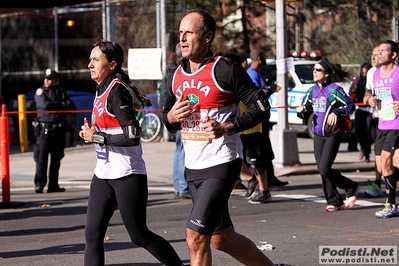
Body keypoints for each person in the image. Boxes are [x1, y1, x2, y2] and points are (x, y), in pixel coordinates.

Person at [162, 9, 280, 266]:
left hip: (221, 163)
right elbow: (168, 121)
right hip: (193, 168)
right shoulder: (174, 74)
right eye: (180, 33)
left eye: (189, 33)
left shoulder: (225, 70)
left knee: (195, 236)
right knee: (221, 238)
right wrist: (170, 117)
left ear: (207, 37)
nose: (182, 38)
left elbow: (261, 108)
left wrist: (226, 127)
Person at [79, 40, 184, 266]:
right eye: (90, 59)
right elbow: (110, 129)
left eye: (96, 59)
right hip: (104, 173)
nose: (90, 64)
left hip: (127, 173)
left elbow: (132, 135)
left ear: (112, 64)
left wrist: (96, 137)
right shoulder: (101, 89)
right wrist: (93, 132)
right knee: (92, 235)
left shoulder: (116, 90)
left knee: (139, 236)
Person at [296, 59, 358, 212]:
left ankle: (351, 186)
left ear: (327, 74)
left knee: (325, 168)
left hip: (333, 133)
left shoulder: (334, 90)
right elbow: (306, 107)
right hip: (318, 134)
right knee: (322, 169)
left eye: (318, 70)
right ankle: (334, 200)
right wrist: (302, 110)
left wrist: (337, 112)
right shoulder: (311, 91)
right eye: (314, 69)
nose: (314, 72)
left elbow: (350, 106)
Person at [247, 48, 289, 188]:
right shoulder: (251, 74)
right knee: (260, 152)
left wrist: (270, 90)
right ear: (259, 58)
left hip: (263, 118)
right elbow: (256, 95)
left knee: (266, 150)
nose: (265, 59)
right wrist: (270, 89)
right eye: (264, 56)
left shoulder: (257, 74)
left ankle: (271, 177)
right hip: (256, 120)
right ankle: (260, 182)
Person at [367, 40, 399, 218]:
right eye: (377, 51)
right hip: (382, 124)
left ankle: (391, 204)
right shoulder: (376, 74)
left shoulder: (398, 72)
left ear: (393, 54)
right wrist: (372, 100)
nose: (378, 54)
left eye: (382, 51)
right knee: (382, 165)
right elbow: (374, 95)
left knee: (386, 161)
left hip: (397, 124)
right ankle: (392, 202)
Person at [33, 68, 74, 193]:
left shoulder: (61, 91)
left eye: (50, 79)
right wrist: (59, 104)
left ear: (55, 80)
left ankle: (53, 185)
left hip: (58, 130)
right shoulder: (40, 91)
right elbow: (45, 105)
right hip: (44, 130)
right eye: (45, 78)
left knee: (56, 159)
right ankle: (39, 185)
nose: (47, 81)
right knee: (41, 159)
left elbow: (69, 105)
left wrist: (57, 104)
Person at [363, 45, 384, 198]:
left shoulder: (396, 72)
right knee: (378, 152)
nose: (374, 57)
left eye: (378, 54)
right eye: (373, 54)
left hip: (396, 119)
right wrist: (368, 97)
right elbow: (369, 91)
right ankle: (377, 184)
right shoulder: (371, 72)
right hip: (381, 118)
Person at [349, 61, 372, 162]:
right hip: (359, 108)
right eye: (363, 73)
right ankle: (363, 148)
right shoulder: (358, 81)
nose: (364, 75)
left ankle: (367, 153)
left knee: (367, 132)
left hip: (370, 109)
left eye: (366, 73)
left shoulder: (371, 81)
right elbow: (352, 93)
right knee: (358, 131)